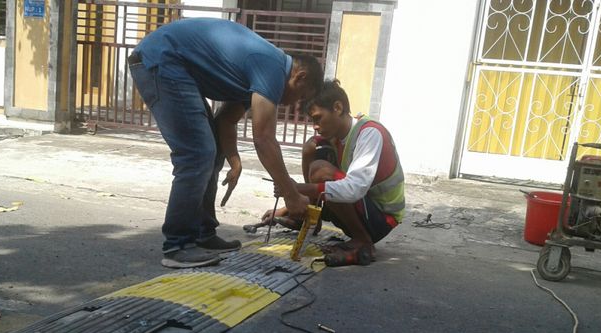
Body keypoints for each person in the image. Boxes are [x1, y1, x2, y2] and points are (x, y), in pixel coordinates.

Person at [128, 17, 323, 269]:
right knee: (197, 154)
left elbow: (225, 122)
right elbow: (264, 138)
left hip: (173, 64)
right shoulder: (272, 67)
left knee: (211, 150)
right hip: (162, 60)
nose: (294, 103)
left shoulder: (261, 72)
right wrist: (291, 194)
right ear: (300, 76)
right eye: (301, 96)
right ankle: (177, 246)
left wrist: (234, 161)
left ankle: (202, 233)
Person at [264, 80, 405, 266]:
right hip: (363, 209)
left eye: (317, 118)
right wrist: (293, 203)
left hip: (381, 219)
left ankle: (363, 241)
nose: (315, 126)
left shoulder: (370, 133)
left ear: (337, 108)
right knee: (313, 149)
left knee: (321, 171)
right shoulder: (335, 136)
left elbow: (353, 189)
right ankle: (309, 216)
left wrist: (295, 189)